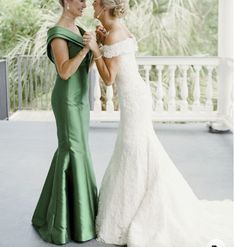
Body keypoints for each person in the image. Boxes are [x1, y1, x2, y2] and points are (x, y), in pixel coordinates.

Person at [83, 0, 233, 246]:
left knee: (134, 151)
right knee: (133, 149)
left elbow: (109, 79)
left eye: (95, 3)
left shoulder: (115, 34)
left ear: (105, 7)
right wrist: (100, 43)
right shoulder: (116, 30)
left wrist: (95, 49)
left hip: (134, 101)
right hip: (137, 98)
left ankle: (145, 210)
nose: (91, 6)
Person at [31, 0, 98, 244]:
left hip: (80, 98)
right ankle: (69, 222)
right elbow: (65, 71)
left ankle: (78, 214)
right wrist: (83, 50)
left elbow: (85, 69)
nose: (85, 4)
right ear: (67, 2)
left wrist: (92, 49)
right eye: (80, 0)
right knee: (72, 150)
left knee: (77, 150)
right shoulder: (57, 33)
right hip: (67, 100)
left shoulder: (79, 31)